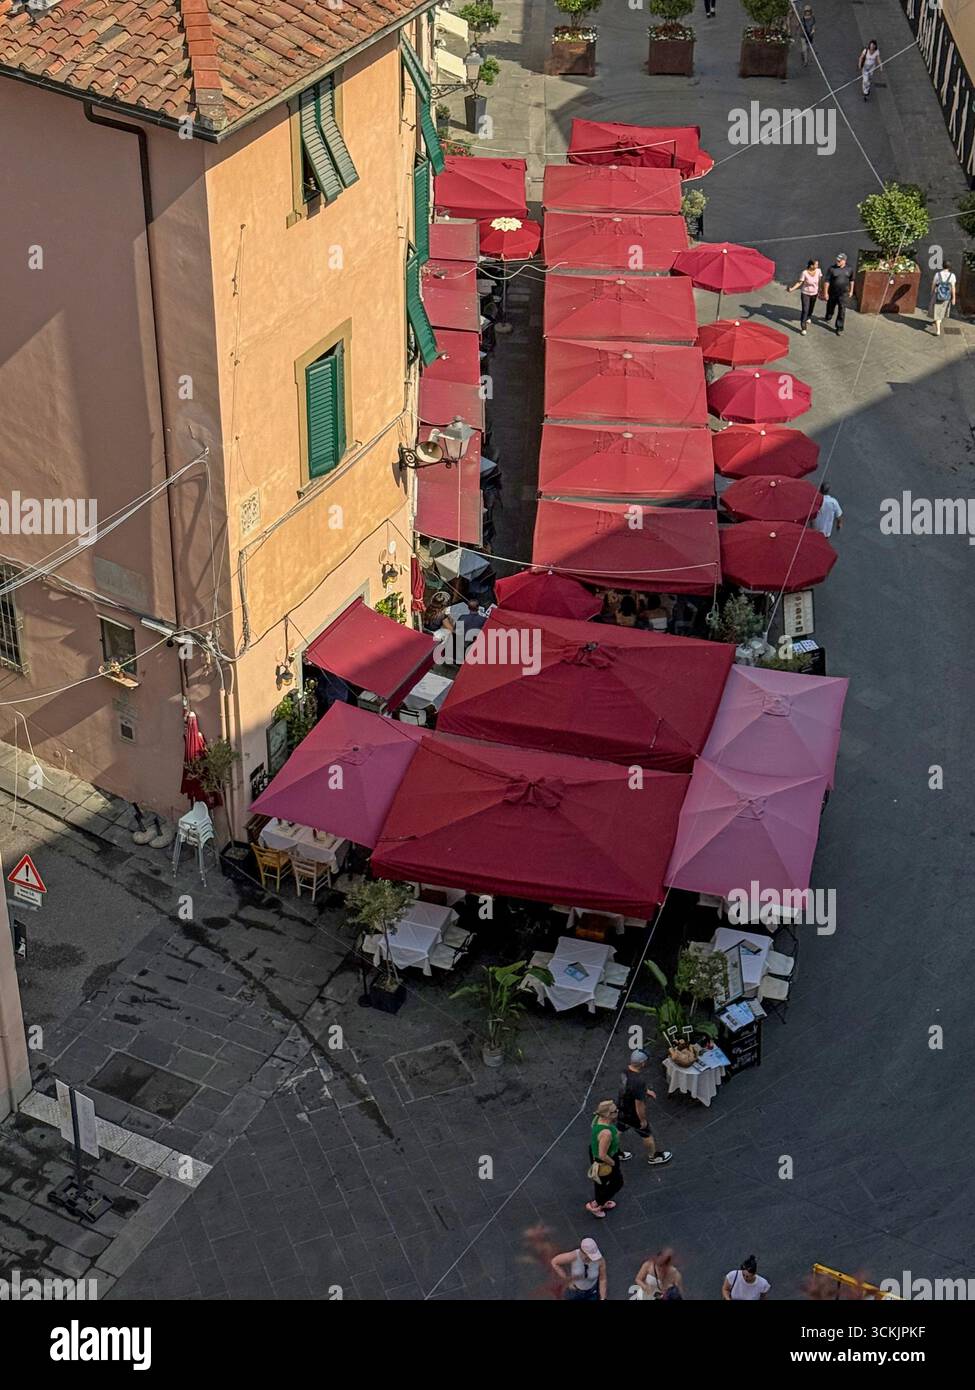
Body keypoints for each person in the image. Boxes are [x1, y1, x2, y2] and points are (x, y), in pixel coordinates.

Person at [617, 1049, 674, 1166]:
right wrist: (642, 1120)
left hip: (621, 1107)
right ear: (643, 1063)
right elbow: (639, 1105)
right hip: (632, 1113)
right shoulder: (639, 1081)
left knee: (619, 1130)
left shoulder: (624, 1071)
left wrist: (645, 1091)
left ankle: (614, 1151)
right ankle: (653, 1157)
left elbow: (629, 1087)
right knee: (646, 1135)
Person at [587, 1100, 624, 1218]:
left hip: (594, 1153)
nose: (617, 1112)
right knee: (617, 1182)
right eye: (615, 1111)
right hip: (605, 1160)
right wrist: (613, 1163)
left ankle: (601, 1200)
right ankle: (597, 1204)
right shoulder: (606, 1133)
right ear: (608, 1115)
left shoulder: (598, 1119)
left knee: (600, 1183)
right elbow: (602, 1155)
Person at [788, 259, 822, 335]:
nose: (817, 266)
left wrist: (820, 289)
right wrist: (792, 289)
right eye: (816, 265)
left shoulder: (819, 271)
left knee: (811, 307)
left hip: (814, 293)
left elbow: (820, 280)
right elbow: (800, 282)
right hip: (805, 293)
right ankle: (803, 327)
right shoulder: (804, 273)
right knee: (805, 310)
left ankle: (809, 317)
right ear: (811, 265)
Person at [822, 253, 852, 335]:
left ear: (844, 261)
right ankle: (829, 315)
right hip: (832, 293)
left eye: (839, 260)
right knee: (830, 307)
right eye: (837, 260)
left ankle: (839, 327)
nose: (837, 261)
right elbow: (827, 281)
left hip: (843, 294)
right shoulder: (832, 269)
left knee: (842, 310)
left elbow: (852, 280)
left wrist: (851, 291)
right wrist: (825, 293)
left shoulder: (849, 269)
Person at [929, 261, 957, 335]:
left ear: (942, 266)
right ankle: (938, 320)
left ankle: (938, 330)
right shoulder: (952, 275)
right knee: (942, 310)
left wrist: (932, 292)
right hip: (947, 296)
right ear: (950, 267)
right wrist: (954, 298)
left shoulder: (937, 274)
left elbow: (933, 284)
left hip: (938, 295)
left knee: (937, 310)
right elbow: (953, 287)